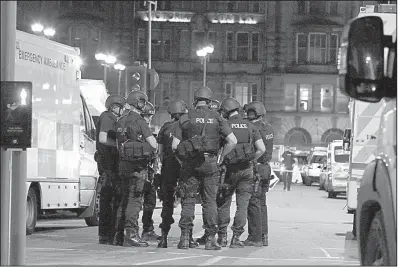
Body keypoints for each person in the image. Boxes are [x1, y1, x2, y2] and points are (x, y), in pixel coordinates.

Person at [172, 87, 237, 250]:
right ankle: (210, 239)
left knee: (188, 200)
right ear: (209, 101)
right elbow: (232, 141)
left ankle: (185, 239)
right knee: (209, 202)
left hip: (190, 164)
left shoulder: (186, 117)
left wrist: (183, 161)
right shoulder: (217, 118)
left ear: (195, 100)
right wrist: (221, 157)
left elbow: (174, 146)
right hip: (210, 163)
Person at [216, 97, 266, 248]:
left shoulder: (224, 125)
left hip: (228, 171)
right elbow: (262, 149)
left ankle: (222, 236)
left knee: (224, 203)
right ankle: (236, 238)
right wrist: (251, 159)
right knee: (242, 205)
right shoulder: (250, 126)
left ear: (225, 111)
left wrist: (221, 158)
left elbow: (219, 146)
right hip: (246, 170)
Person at [115, 90, 158, 247]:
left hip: (122, 165)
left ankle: (118, 234)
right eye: (143, 102)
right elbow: (153, 144)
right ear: (139, 103)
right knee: (135, 201)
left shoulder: (120, 120)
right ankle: (131, 235)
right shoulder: (139, 121)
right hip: (137, 167)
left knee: (124, 200)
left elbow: (117, 145)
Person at [157, 100, 191, 248]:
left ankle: (163, 237)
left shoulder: (164, 127)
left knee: (167, 201)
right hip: (183, 165)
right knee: (186, 199)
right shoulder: (186, 126)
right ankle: (186, 237)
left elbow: (159, 152)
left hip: (168, 166)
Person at [95, 94, 125, 245]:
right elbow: (102, 138)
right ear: (114, 107)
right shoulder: (107, 117)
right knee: (108, 199)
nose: (122, 110)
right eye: (121, 107)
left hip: (110, 163)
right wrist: (118, 145)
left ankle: (108, 233)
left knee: (111, 198)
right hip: (107, 163)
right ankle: (106, 233)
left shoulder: (112, 118)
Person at [243, 101, 274, 247]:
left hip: (256, 168)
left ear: (252, 113)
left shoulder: (253, 128)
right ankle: (263, 235)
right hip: (266, 168)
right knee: (262, 203)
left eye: (248, 113)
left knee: (253, 203)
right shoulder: (268, 128)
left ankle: (255, 237)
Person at [139, 102, 161, 241]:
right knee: (136, 203)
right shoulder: (140, 128)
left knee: (150, 201)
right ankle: (139, 230)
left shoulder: (146, 128)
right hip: (141, 170)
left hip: (148, 170)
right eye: (147, 116)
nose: (149, 119)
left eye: (150, 116)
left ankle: (147, 229)